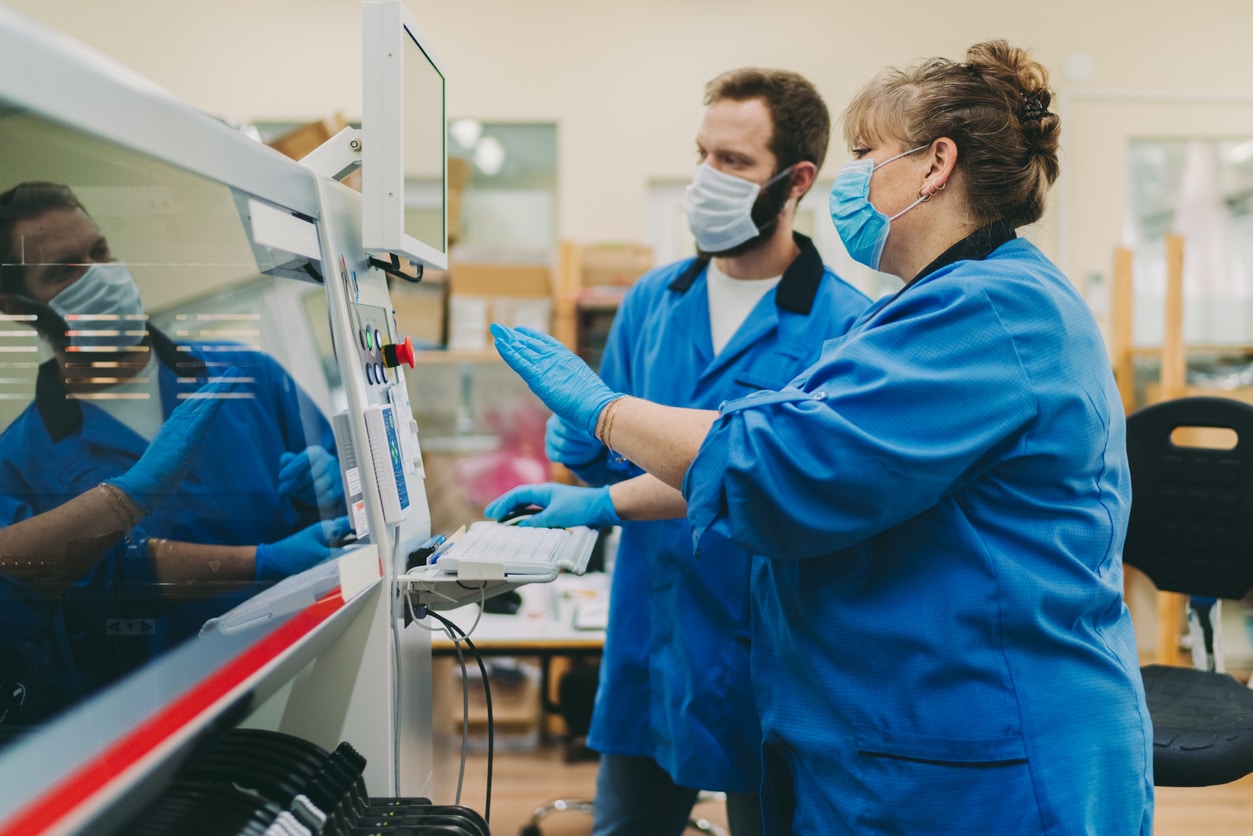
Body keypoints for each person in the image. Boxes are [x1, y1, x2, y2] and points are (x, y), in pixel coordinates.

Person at [487, 41, 1154, 834]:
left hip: (980, 745)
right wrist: (599, 500)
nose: (854, 178)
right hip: (896, 726)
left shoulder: (986, 315)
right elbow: (787, 448)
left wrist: (603, 410)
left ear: (934, 164)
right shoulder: (929, 308)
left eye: (866, 154)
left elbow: (774, 463)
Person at [494, 68, 868, 836]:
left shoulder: (844, 328)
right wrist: (580, 450)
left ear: (795, 180)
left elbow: (766, 475)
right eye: (702, 154)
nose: (705, 179)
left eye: (732, 162)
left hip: (770, 650)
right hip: (651, 634)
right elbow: (616, 456)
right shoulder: (653, 301)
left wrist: (599, 500)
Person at [0, 181, 349, 723]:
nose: (101, 275)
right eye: (65, 271)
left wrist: (331, 489)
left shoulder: (247, 377)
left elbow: (357, 517)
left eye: (101, 250)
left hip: (313, 687)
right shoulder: (19, 461)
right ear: (17, 307)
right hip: (160, 735)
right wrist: (264, 562)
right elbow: (63, 600)